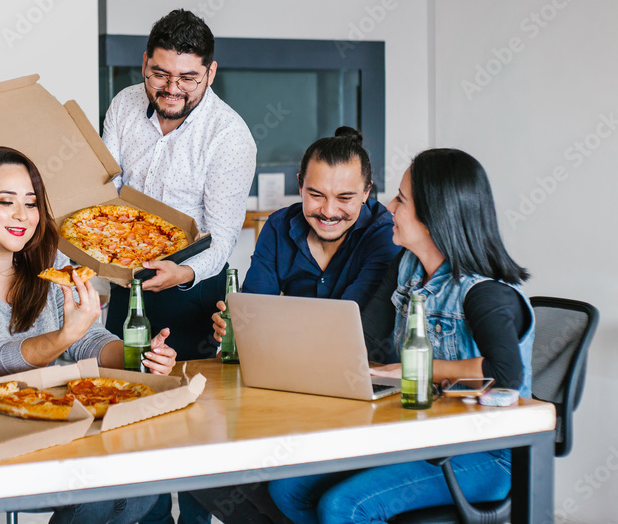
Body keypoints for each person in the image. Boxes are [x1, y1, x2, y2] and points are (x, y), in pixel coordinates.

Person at [197, 148, 535, 523]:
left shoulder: (484, 293)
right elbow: (360, 335)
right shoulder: (406, 268)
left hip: (484, 451)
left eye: (402, 200)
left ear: (433, 216)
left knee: (344, 506)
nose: (390, 207)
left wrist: (405, 368)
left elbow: (505, 375)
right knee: (287, 489)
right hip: (424, 431)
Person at [0, 146, 176, 524]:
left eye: (31, 203)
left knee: (142, 491)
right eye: (6, 202)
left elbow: (90, 341)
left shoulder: (49, 263)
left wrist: (140, 355)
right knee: (93, 497)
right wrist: (63, 336)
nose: (23, 215)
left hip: (59, 421)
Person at [101, 9, 256, 524]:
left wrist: (181, 271)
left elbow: (222, 236)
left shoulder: (230, 137)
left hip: (193, 287)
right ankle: (138, 513)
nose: (171, 88)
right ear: (145, 63)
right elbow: (106, 187)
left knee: (192, 429)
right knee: (126, 412)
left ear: (210, 73)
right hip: (128, 280)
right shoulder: (124, 105)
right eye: (160, 74)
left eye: (188, 78)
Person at [211, 127, 401, 341]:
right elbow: (255, 310)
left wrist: (266, 322)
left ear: (366, 192)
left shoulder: (385, 235)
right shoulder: (278, 226)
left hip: (367, 368)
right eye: (317, 195)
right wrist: (237, 323)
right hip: (292, 360)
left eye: (345, 198)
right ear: (301, 186)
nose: (329, 212)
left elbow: (348, 325)